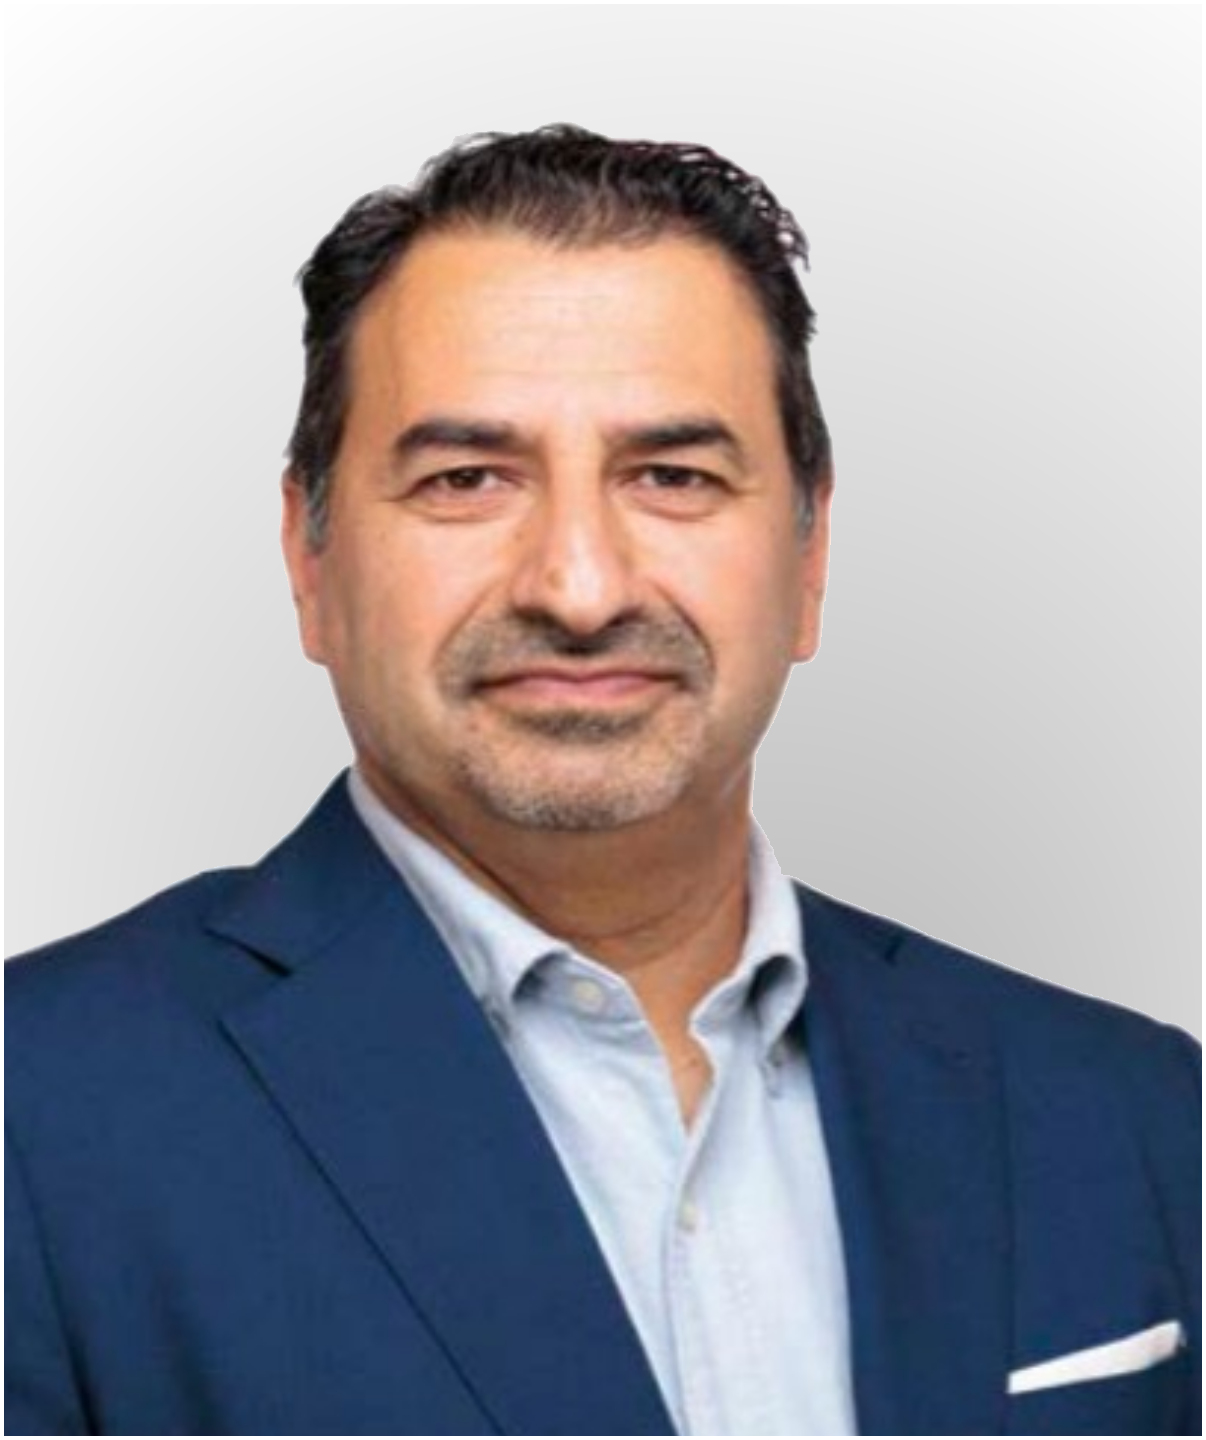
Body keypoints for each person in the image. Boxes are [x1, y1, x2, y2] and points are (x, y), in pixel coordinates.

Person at [5, 125, 1199, 1438]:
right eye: (467, 479)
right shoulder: (36, 1114)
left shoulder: (1136, 1115)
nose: (579, 588)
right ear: (309, 557)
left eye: (672, 477)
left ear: (808, 556)